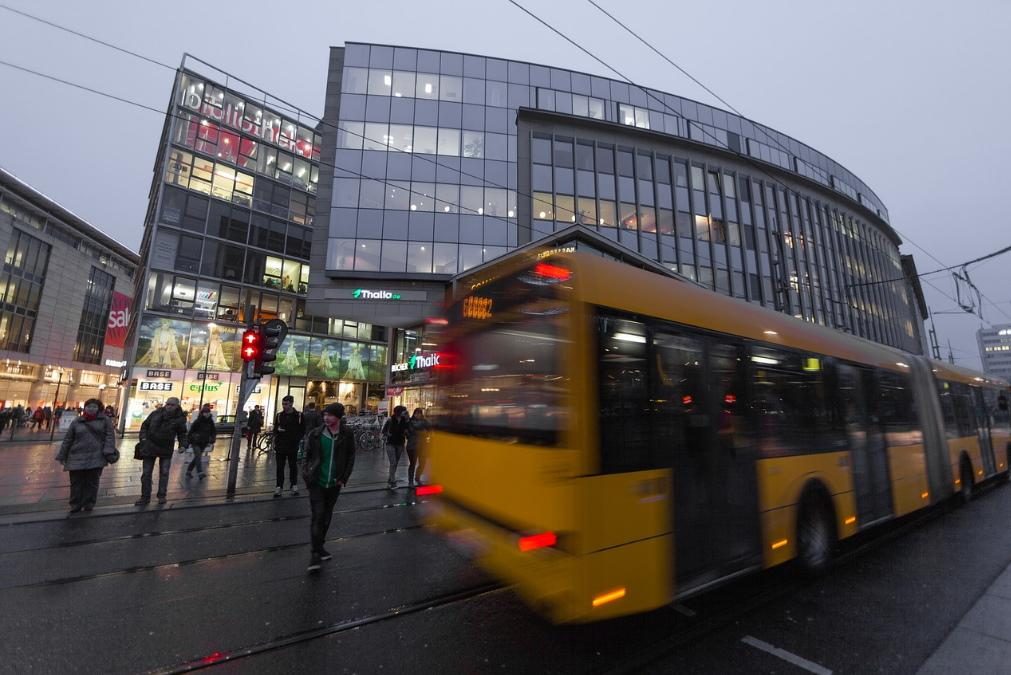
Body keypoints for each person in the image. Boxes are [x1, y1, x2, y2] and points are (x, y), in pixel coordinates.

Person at [301, 402, 356, 572]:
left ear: (338, 417)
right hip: (317, 481)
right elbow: (306, 455)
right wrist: (307, 475)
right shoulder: (316, 434)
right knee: (318, 515)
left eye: (330, 415)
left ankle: (320, 546)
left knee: (326, 516)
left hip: (334, 483)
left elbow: (351, 456)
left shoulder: (346, 434)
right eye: (324, 414)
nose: (326, 418)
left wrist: (344, 477)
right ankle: (315, 554)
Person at [56, 399, 118, 513]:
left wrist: (108, 451)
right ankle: (75, 504)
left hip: (96, 455)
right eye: (89, 406)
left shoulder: (105, 421)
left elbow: (110, 437)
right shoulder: (77, 421)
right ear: (85, 408)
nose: (91, 409)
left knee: (92, 482)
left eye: (94, 407)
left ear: (99, 409)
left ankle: (89, 503)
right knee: (76, 482)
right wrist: (62, 455)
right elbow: (68, 439)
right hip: (77, 455)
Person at [135, 396, 188, 505]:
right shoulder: (156, 413)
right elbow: (145, 425)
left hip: (166, 447)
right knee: (146, 473)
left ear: (177, 406)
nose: (169, 406)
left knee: (164, 472)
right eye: (168, 404)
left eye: (172, 405)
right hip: (150, 445)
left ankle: (162, 495)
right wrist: (143, 439)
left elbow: (182, 433)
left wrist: (183, 445)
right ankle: (145, 497)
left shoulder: (179, 418)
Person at [273, 395, 305, 497]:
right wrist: (277, 431)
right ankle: (279, 486)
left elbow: (303, 429)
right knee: (280, 467)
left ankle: (294, 485)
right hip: (280, 445)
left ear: (291, 403)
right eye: (283, 404)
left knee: (293, 466)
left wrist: (296, 438)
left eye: (286, 404)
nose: (284, 406)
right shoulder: (279, 415)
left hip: (292, 445)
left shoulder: (299, 415)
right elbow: (275, 428)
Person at [382, 405, 410, 489]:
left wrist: (408, 419)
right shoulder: (390, 420)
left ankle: (390, 480)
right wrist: (388, 434)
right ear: (398, 412)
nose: (404, 412)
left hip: (400, 443)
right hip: (390, 443)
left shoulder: (404, 421)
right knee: (393, 462)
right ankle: (393, 481)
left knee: (395, 463)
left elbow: (408, 431)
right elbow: (384, 431)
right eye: (403, 411)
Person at [186, 403, 216, 479]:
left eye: (208, 412)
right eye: (205, 413)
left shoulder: (210, 422)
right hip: (195, 442)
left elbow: (213, 431)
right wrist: (189, 441)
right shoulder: (197, 421)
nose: (207, 414)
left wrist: (212, 439)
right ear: (202, 413)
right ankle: (200, 472)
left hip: (204, 442)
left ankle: (188, 471)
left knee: (197, 457)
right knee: (198, 456)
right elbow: (191, 432)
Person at [407, 407, 430, 487]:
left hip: (422, 446)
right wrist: (422, 432)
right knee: (412, 464)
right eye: (416, 413)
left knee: (422, 463)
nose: (418, 415)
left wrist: (422, 432)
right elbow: (411, 431)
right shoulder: (410, 421)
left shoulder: (425, 421)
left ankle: (417, 477)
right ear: (414, 413)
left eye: (419, 413)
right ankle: (410, 481)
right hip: (412, 446)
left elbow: (429, 431)